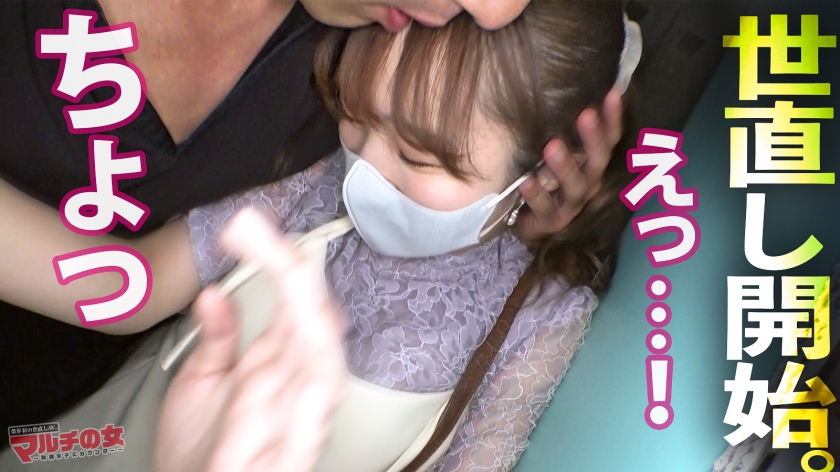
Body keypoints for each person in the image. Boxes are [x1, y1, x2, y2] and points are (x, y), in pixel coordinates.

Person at [0, 0, 640, 470]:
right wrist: (44, 450)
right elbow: (134, 288)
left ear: (541, 171)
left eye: (416, 158)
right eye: (354, 118)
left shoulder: (538, 324)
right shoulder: (317, 180)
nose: (366, 168)